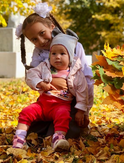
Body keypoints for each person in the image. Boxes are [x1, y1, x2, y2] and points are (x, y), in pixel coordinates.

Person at [15, 2, 94, 139]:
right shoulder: (38, 54)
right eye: (34, 39)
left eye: (42, 33)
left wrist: (85, 110)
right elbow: (33, 76)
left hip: (72, 100)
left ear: (52, 26)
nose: (41, 41)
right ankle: (49, 127)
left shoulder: (75, 47)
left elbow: (87, 79)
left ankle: (58, 131)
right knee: (32, 126)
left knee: (66, 127)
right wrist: (50, 82)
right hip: (49, 99)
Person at [13, 29, 89, 151]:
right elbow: (31, 74)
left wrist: (81, 110)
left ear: (70, 56)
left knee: (63, 116)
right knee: (26, 112)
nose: (57, 57)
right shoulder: (45, 66)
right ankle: (19, 139)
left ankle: (59, 138)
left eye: (62, 54)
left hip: (61, 105)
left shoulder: (74, 72)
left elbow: (82, 91)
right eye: (53, 54)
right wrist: (40, 83)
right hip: (43, 104)